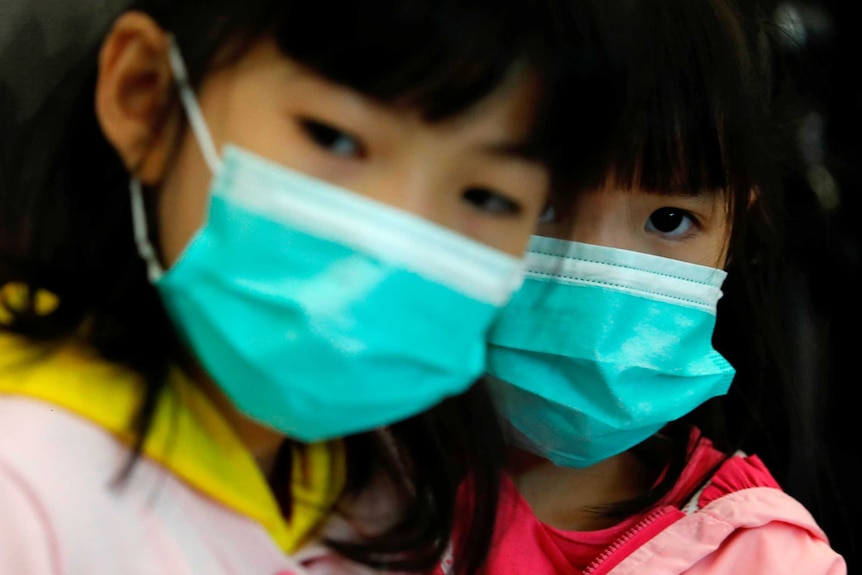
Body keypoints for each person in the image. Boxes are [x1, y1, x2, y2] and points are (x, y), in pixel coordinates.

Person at [0, 1, 618, 573]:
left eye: (487, 196)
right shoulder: (23, 487)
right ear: (147, 97)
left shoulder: (388, 481)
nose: (397, 238)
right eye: (334, 136)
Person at [455, 0, 849, 572]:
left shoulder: (761, 559)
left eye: (668, 219)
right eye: (538, 206)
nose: (589, 296)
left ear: (735, 230)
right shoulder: (334, 479)